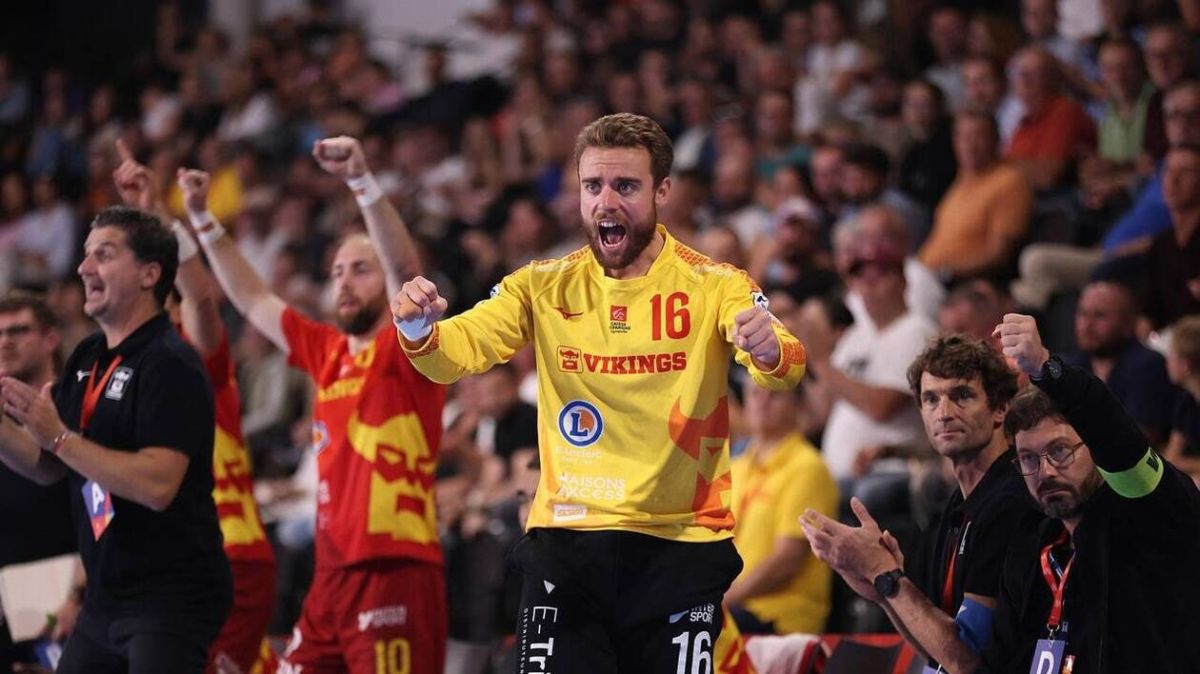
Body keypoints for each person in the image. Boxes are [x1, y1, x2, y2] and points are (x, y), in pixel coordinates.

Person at [392, 112, 806, 672]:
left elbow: (786, 367)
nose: (606, 202)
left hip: (678, 546)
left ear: (662, 191)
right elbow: (454, 354)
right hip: (568, 544)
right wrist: (418, 329)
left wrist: (769, 348)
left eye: (626, 186)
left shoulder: (715, 284)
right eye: (593, 186)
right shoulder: (541, 285)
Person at [181, 135, 448, 674]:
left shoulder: (407, 348)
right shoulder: (326, 351)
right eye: (337, 272)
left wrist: (361, 182)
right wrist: (202, 222)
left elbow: (403, 266)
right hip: (330, 578)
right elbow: (253, 298)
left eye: (360, 269)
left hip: (393, 568)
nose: (344, 282)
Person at [0, 205, 232, 673]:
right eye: (86, 255)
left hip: (170, 597)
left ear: (149, 274)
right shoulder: (88, 354)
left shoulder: (170, 362)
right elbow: (48, 467)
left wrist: (59, 436)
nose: (83, 268)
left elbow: (158, 485)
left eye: (103, 255)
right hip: (106, 596)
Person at [110, 142, 277, 674]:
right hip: (172, 566)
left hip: (232, 554)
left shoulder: (195, 359)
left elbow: (200, 295)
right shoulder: (123, 381)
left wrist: (154, 212)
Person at [801, 334, 1039, 674]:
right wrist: (882, 590)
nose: (944, 413)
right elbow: (937, 652)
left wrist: (884, 573)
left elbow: (966, 661)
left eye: (962, 396)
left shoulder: (1010, 500)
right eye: (931, 399)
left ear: (1000, 409)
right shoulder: (956, 505)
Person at [980, 314, 1200, 673]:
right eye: (1029, 458)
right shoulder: (1029, 544)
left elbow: (1117, 437)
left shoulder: (1152, 513)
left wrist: (1046, 369)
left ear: (1095, 447)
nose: (1046, 471)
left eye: (1060, 451)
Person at [725, 378, 837, 635]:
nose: (761, 401)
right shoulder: (735, 467)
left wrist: (722, 600)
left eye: (774, 394)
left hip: (779, 618)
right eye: (754, 393)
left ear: (798, 405)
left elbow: (787, 560)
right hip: (734, 610)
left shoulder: (808, 468)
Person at [0, 291, 76, 671]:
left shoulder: (77, 406)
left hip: (70, 590)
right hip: (9, 596)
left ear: (50, 339)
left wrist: (81, 593)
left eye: (18, 330)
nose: (5, 342)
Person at [1064, 280, 1180, 445]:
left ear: (1127, 323)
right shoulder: (1071, 365)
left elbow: (1141, 440)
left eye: (1100, 315)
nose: (1087, 326)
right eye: (1083, 313)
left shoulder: (1147, 365)